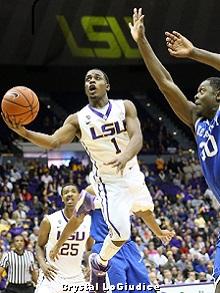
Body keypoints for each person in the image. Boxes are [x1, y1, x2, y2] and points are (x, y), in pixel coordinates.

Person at [2, 68, 174, 288]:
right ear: (85, 88)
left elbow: (137, 138)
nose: (91, 80)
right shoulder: (78, 119)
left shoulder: (125, 107)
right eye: (87, 79)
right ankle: (99, 262)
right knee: (120, 233)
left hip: (132, 174)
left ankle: (100, 262)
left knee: (141, 212)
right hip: (107, 181)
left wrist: (158, 232)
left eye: (97, 77)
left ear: (107, 85)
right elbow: (54, 141)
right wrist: (25, 132)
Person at [129, 7, 220, 293]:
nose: (196, 94)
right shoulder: (198, 121)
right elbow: (166, 83)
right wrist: (142, 42)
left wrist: (194, 53)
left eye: (202, 90)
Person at [35, 183, 93, 293]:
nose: (69, 194)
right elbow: (39, 245)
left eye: (73, 191)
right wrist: (43, 264)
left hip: (76, 277)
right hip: (52, 276)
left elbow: (90, 249)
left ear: (79, 197)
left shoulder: (88, 221)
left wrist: (90, 265)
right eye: (66, 193)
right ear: (62, 198)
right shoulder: (49, 220)